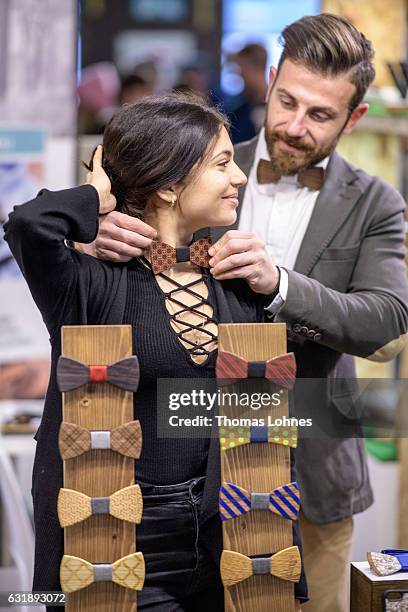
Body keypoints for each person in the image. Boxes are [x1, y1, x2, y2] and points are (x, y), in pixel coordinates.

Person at [77, 14, 408, 612]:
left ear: (354, 118)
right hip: (185, 467)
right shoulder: (202, 170)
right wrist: (96, 234)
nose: (294, 126)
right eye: (288, 101)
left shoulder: (378, 203)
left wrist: (281, 284)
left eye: (321, 115)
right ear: (273, 79)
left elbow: (386, 319)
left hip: (311, 468)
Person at [5, 93, 307, 611]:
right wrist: (98, 195)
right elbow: (29, 225)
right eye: (222, 163)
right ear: (168, 185)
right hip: (115, 535)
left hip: (225, 528)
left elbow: (265, 419)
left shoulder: (234, 281)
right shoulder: (91, 281)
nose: (238, 178)